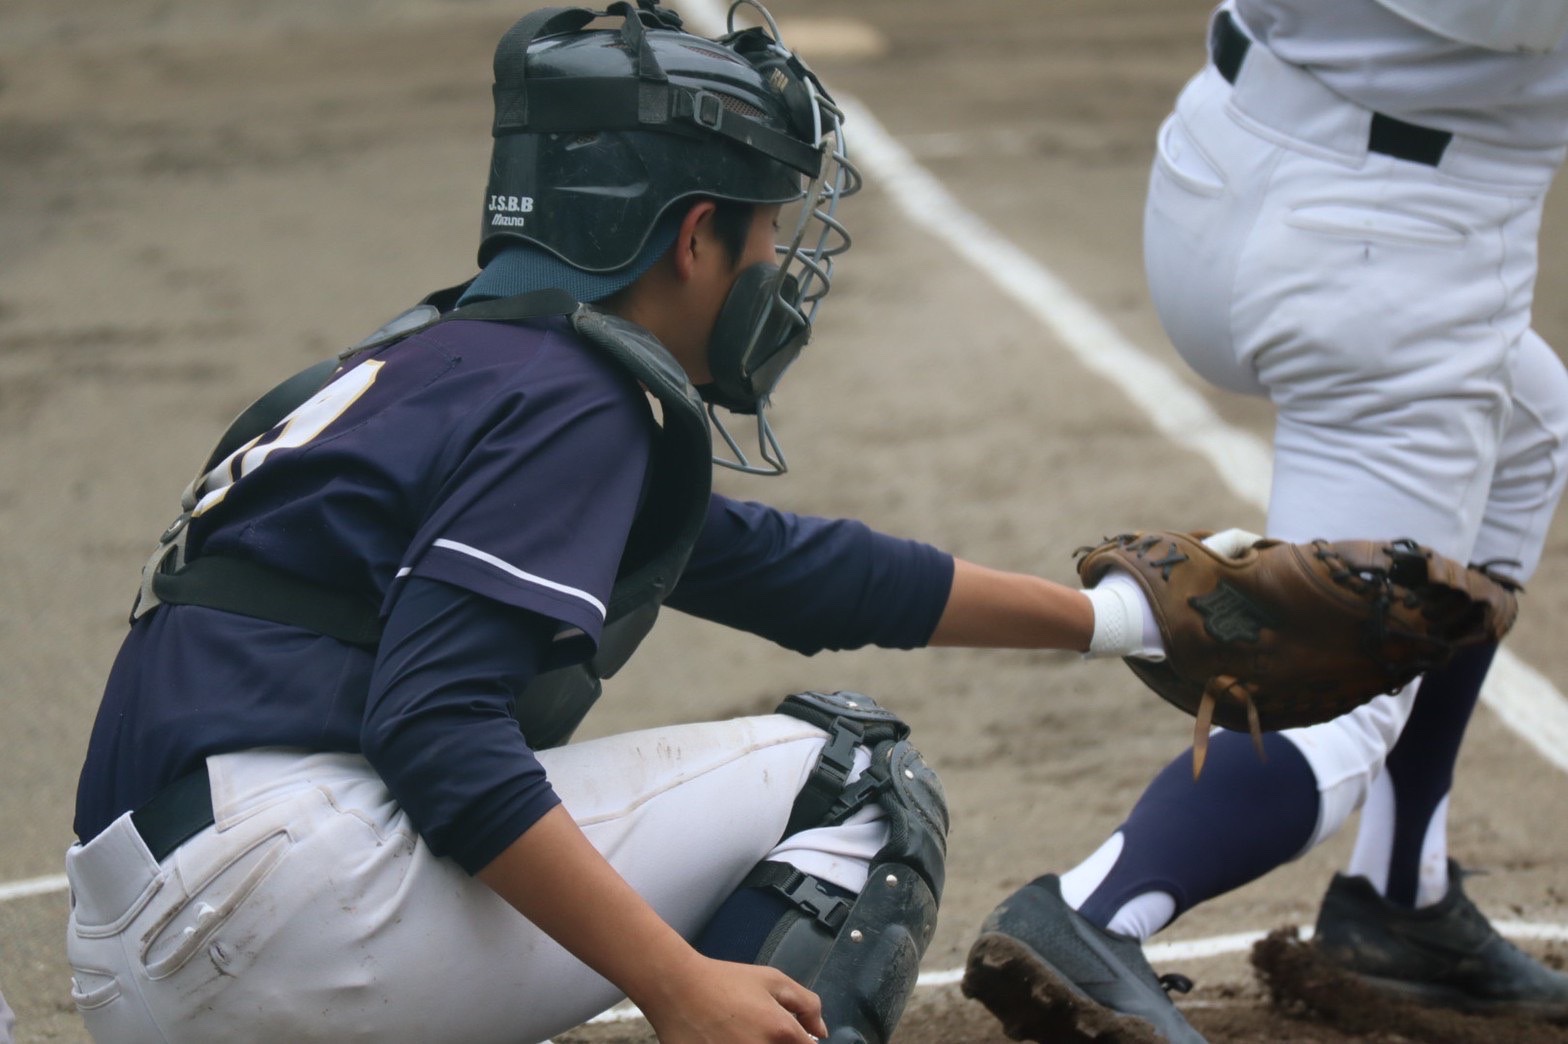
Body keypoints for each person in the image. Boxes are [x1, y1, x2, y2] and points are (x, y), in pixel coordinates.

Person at [62, 3, 1185, 1042]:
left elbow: (790, 570)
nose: (777, 273)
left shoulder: (429, 368)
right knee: (853, 779)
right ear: (692, 235)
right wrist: (675, 982)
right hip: (288, 907)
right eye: (765, 236)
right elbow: (436, 730)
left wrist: (1120, 621)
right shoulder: (574, 395)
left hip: (148, 949)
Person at [963, 1, 1568, 1041]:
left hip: (1222, 159)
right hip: (1387, 255)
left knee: (1524, 430)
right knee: (1342, 694)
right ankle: (1095, 911)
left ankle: (1399, 899)